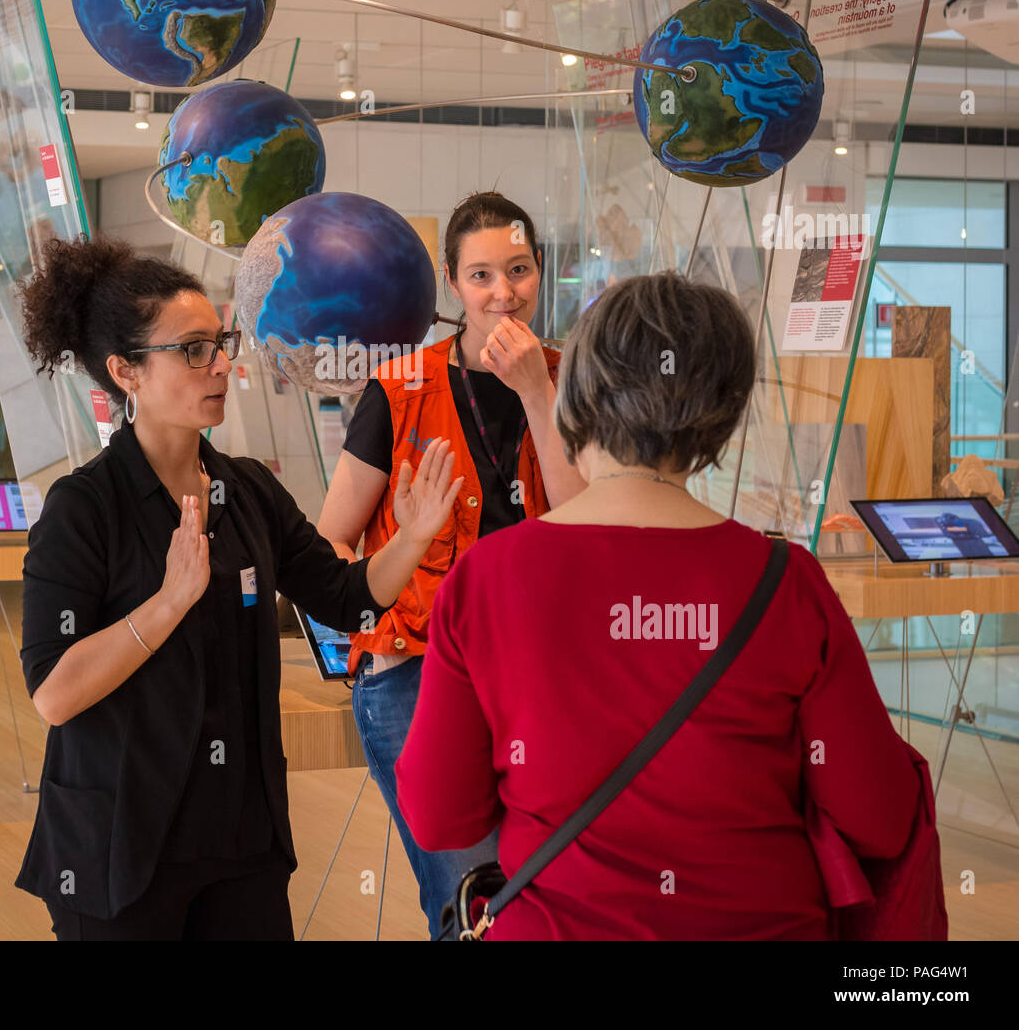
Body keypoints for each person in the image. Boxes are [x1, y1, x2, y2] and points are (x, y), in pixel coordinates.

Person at [395, 270, 924, 940]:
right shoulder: (786, 583)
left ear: (577, 394)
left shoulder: (484, 579)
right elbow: (879, 816)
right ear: (722, 412)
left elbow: (441, 815)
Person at [13, 235, 464, 941]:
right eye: (192, 350)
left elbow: (348, 598)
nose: (221, 364)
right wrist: (167, 603)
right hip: (119, 849)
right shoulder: (83, 507)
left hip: (239, 841)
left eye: (220, 343)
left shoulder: (246, 488)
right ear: (126, 371)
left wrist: (410, 537)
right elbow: (54, 692)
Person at [316, 191, 585, 938]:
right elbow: (329, 544)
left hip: (543, 673)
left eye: (520, 270)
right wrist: (390, 609)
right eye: (481, 275)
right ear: (453, 283)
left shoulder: (572, 381)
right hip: (416, 670)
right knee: (475, 903)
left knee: (548, 894)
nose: (504, 292)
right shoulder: (399, 390)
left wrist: (537, 392)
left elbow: (584, 528)